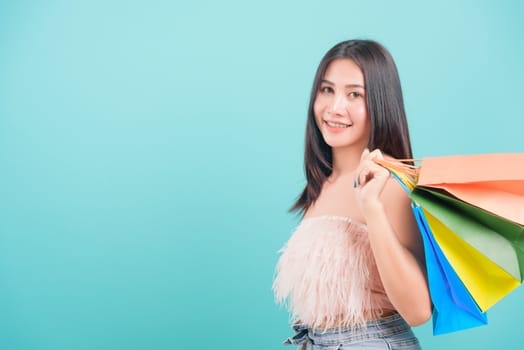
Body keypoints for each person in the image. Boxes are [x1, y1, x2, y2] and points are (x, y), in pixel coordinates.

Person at [272, 39, 432, 349]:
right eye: (327, 90)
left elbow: (418, 310)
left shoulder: (390, 182)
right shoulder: (324, 183)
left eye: (354, 94)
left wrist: (371, 208)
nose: (334, 108)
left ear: (380, 104)